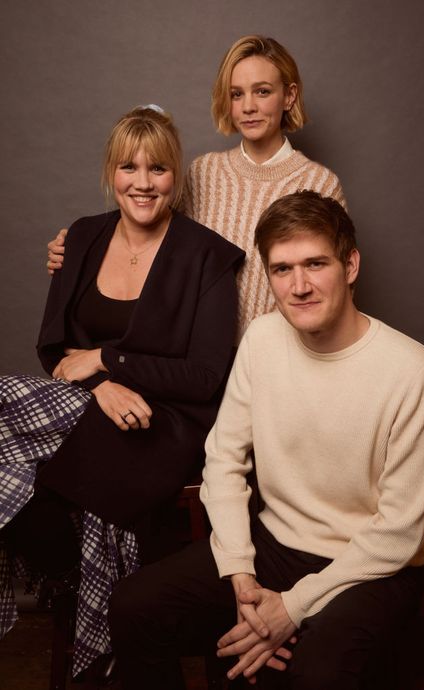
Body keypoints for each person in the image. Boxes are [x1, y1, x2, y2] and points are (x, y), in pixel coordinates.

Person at [107, 191, 424, 690]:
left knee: (316, 674)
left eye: (315, 264)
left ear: (350, 265)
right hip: (275, 546)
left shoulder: (410, 368)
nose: (299, 286)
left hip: (371, 567)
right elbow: (223, 460)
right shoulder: (262, 339)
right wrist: (240, 574)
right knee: (134, 605)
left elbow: (398, 533)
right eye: (282, 269)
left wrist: (291, 607)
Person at [0, 105, 244, 676]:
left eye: (157, 168)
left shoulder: (206, 256)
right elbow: (55, 348)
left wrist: (111, 361)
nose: (143, 182)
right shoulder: (84, 236)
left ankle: (73, 578)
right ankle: (67, 568)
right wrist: (102, 385)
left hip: (164, 423)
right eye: (128, 167)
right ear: (111, 171)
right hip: (90, 403)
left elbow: (207, 376)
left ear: (175, 174)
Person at [46, 35, 345, 334]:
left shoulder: (319, 183)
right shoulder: (203, 171)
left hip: (278, 351)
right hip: (195, 348)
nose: (248, 106)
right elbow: (147, 225)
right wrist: (82, 244)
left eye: (262, 91)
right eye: (236, 94)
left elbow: (333, 288)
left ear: (289, 96)